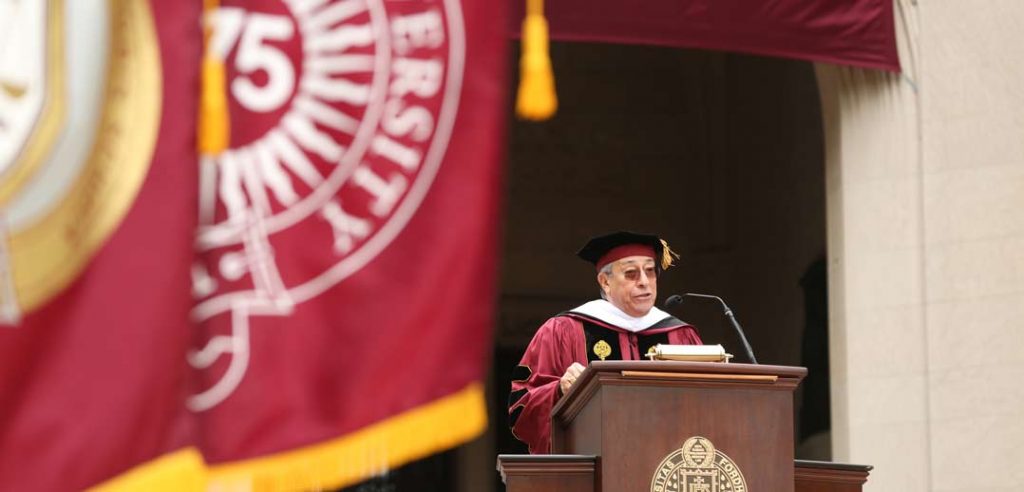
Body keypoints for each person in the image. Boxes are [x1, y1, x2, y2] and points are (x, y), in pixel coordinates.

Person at [507, 231, 702, 454]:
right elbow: (521, 411)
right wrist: (559, 390)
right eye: (631, 273)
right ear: (605, 281)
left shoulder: (681, 335)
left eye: (650, 271)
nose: (644, 282)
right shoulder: (563, 331)